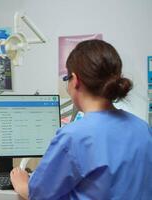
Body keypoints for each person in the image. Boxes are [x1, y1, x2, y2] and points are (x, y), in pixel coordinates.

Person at [10, 40, 152, 199]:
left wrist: (22, 184)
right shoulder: (143, 129)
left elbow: (40, 194)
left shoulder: (73, 136)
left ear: (75, 80)